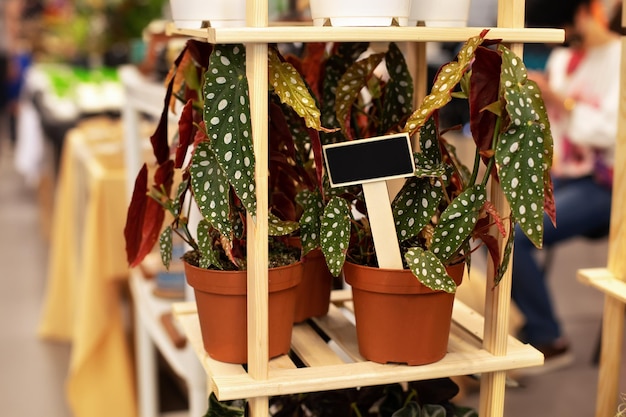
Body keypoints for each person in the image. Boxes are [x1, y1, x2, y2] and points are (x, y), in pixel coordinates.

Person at [511, 0, 621, 373]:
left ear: (586, 13)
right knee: (494, 221)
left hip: (609, 186)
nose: (566, 38)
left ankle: (548, 336)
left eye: (568, 27)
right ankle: (534, 325)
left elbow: (612, 135)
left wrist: (560, 100)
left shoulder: (619, 58)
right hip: (567, 175)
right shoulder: (565, 59)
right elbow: (554, 132)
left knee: (514, 232)